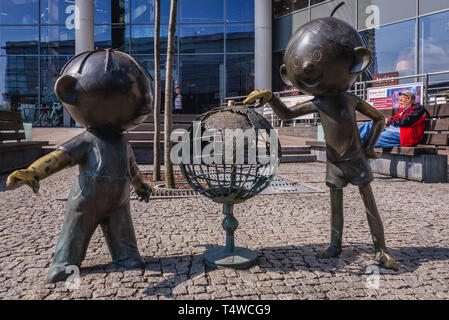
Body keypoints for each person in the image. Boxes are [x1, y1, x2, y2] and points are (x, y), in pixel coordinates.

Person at [359, 91, 429, 147]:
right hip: (391, 130)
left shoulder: (418, 109)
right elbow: (395, 119)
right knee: (369, 125)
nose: (399, 102)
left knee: (372, 139)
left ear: (408, 99)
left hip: (402, 135)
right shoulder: (403, 110)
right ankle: (351, 140)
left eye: (401, 100)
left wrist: (389, 121)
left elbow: (405, 121)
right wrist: (387, 121)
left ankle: (355, 145)